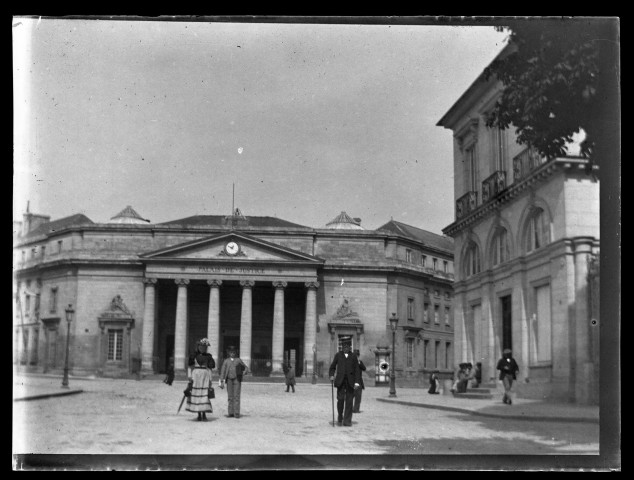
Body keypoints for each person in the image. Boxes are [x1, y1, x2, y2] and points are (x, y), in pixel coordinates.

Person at [329, 341, 361, 427]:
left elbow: (357, 370)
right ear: (342, 347)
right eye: (344, 346)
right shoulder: (338, 355)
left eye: (347, 346)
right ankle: (340, 415)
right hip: (340, 381)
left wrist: (357, 382)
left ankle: (347, 421)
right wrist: (331, 375)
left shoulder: (353, 356)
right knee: (340, 399)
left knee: (349, 401)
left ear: (350, 347)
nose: (346, 348)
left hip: (350, 382)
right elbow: (332, 366)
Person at [185, 338, 215, 421]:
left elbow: (210, 369)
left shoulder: (208, 357)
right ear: (198, 347)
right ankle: (199, 414)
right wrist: (190, 376)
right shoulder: (194, 355)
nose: (202, 349)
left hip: (205, 376)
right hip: (196, 376)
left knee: (204, 394)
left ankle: (204, 414)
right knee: (197, 393)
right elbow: (190, 367)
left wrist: (210, 379)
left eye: (204, 347)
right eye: (201, 347)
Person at [219, 346, 249, 418]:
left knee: (236, 396)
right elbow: (223, 371)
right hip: (229, 379)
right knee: (230, 396)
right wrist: (221, 380)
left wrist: (244, 372)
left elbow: (246, 368)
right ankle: (230, 413)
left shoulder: (238, 360)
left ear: (235, 353)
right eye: (231, 352)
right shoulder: (226, 361)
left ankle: (236, 413)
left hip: (236, 379)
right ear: (229, 353)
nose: (232, 353)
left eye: (233, 352)